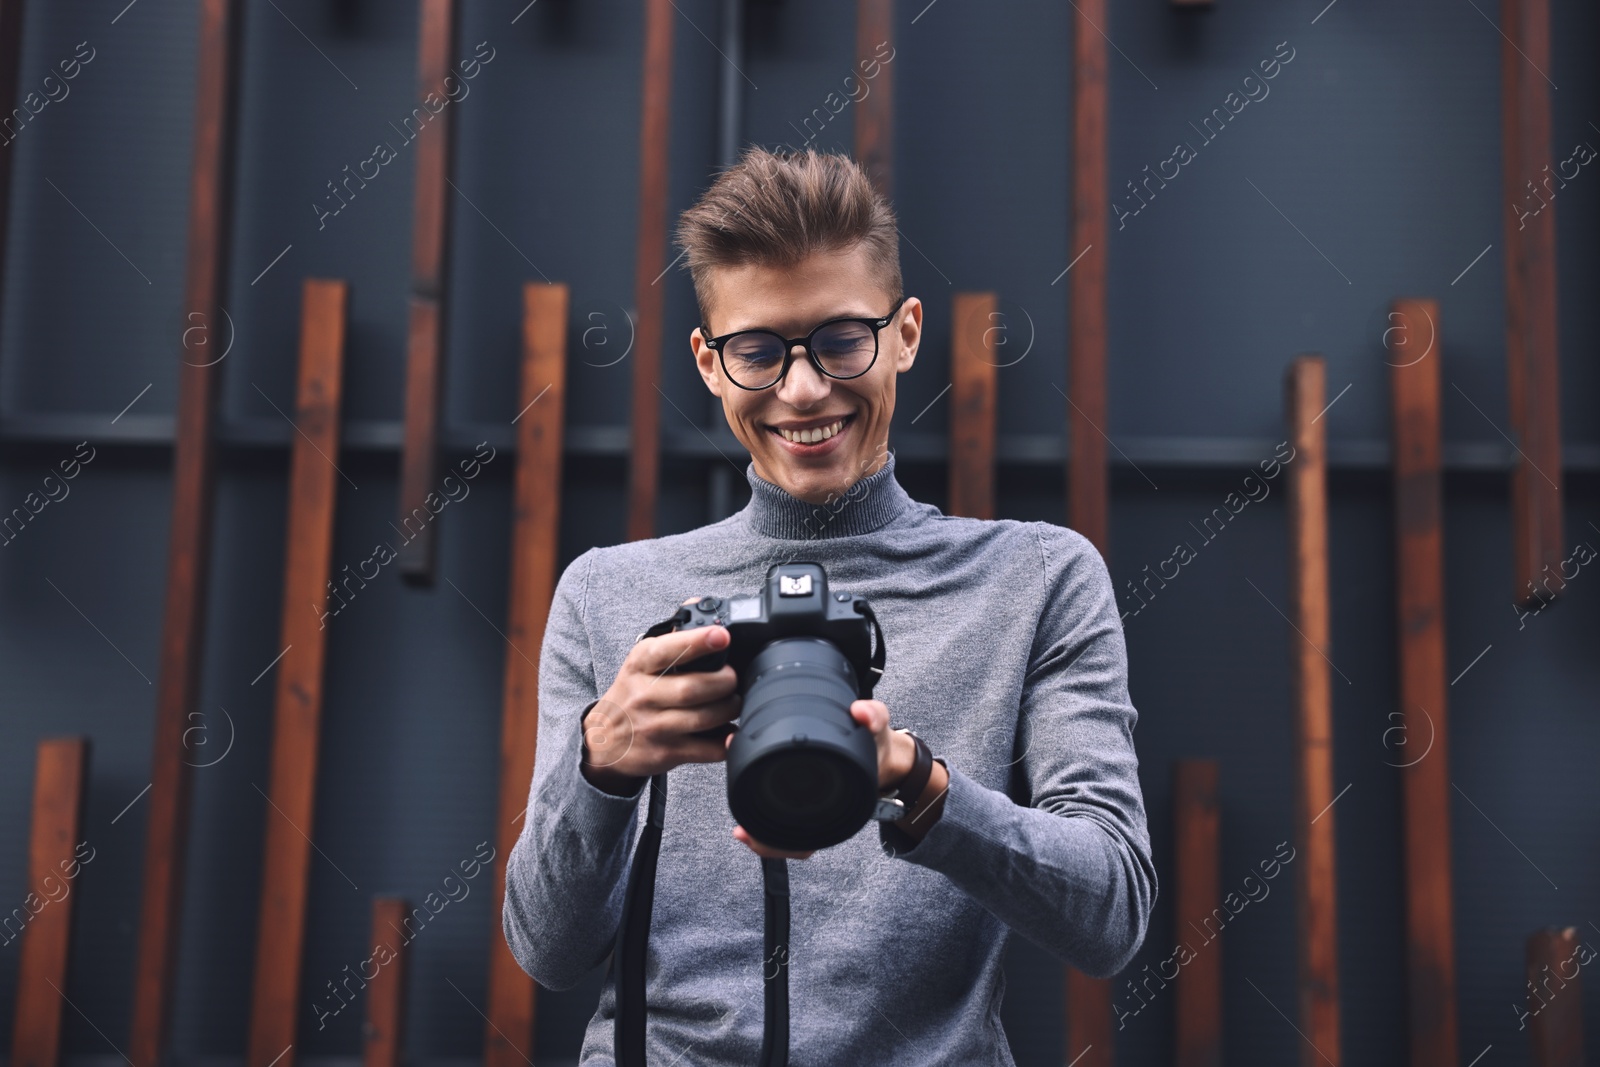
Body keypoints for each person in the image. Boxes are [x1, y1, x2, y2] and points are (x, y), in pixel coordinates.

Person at [502, 146, 1155, 1066]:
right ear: (708, 363)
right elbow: (545, 947)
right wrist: (600, 768)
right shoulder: (610, 593)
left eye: (842, 339)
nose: (803, 389)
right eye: (757, 351)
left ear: (906, 333)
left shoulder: (1037, 579)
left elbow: (1112, 911)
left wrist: (919, 787)